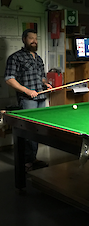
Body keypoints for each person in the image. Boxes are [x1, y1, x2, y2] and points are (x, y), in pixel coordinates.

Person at [4, 29, 52, 172]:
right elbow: (9, 79)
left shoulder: (38, 58)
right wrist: (27, 91)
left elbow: (41, 77)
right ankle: (26, 161)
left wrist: (46, 84)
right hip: (27, 99)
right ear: (24, 39)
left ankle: (33, 158)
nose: (34, 41)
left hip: (41, 98)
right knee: (28, 130)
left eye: (36, 39)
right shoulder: (15, 58)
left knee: (38, 131)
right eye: (31, 38)